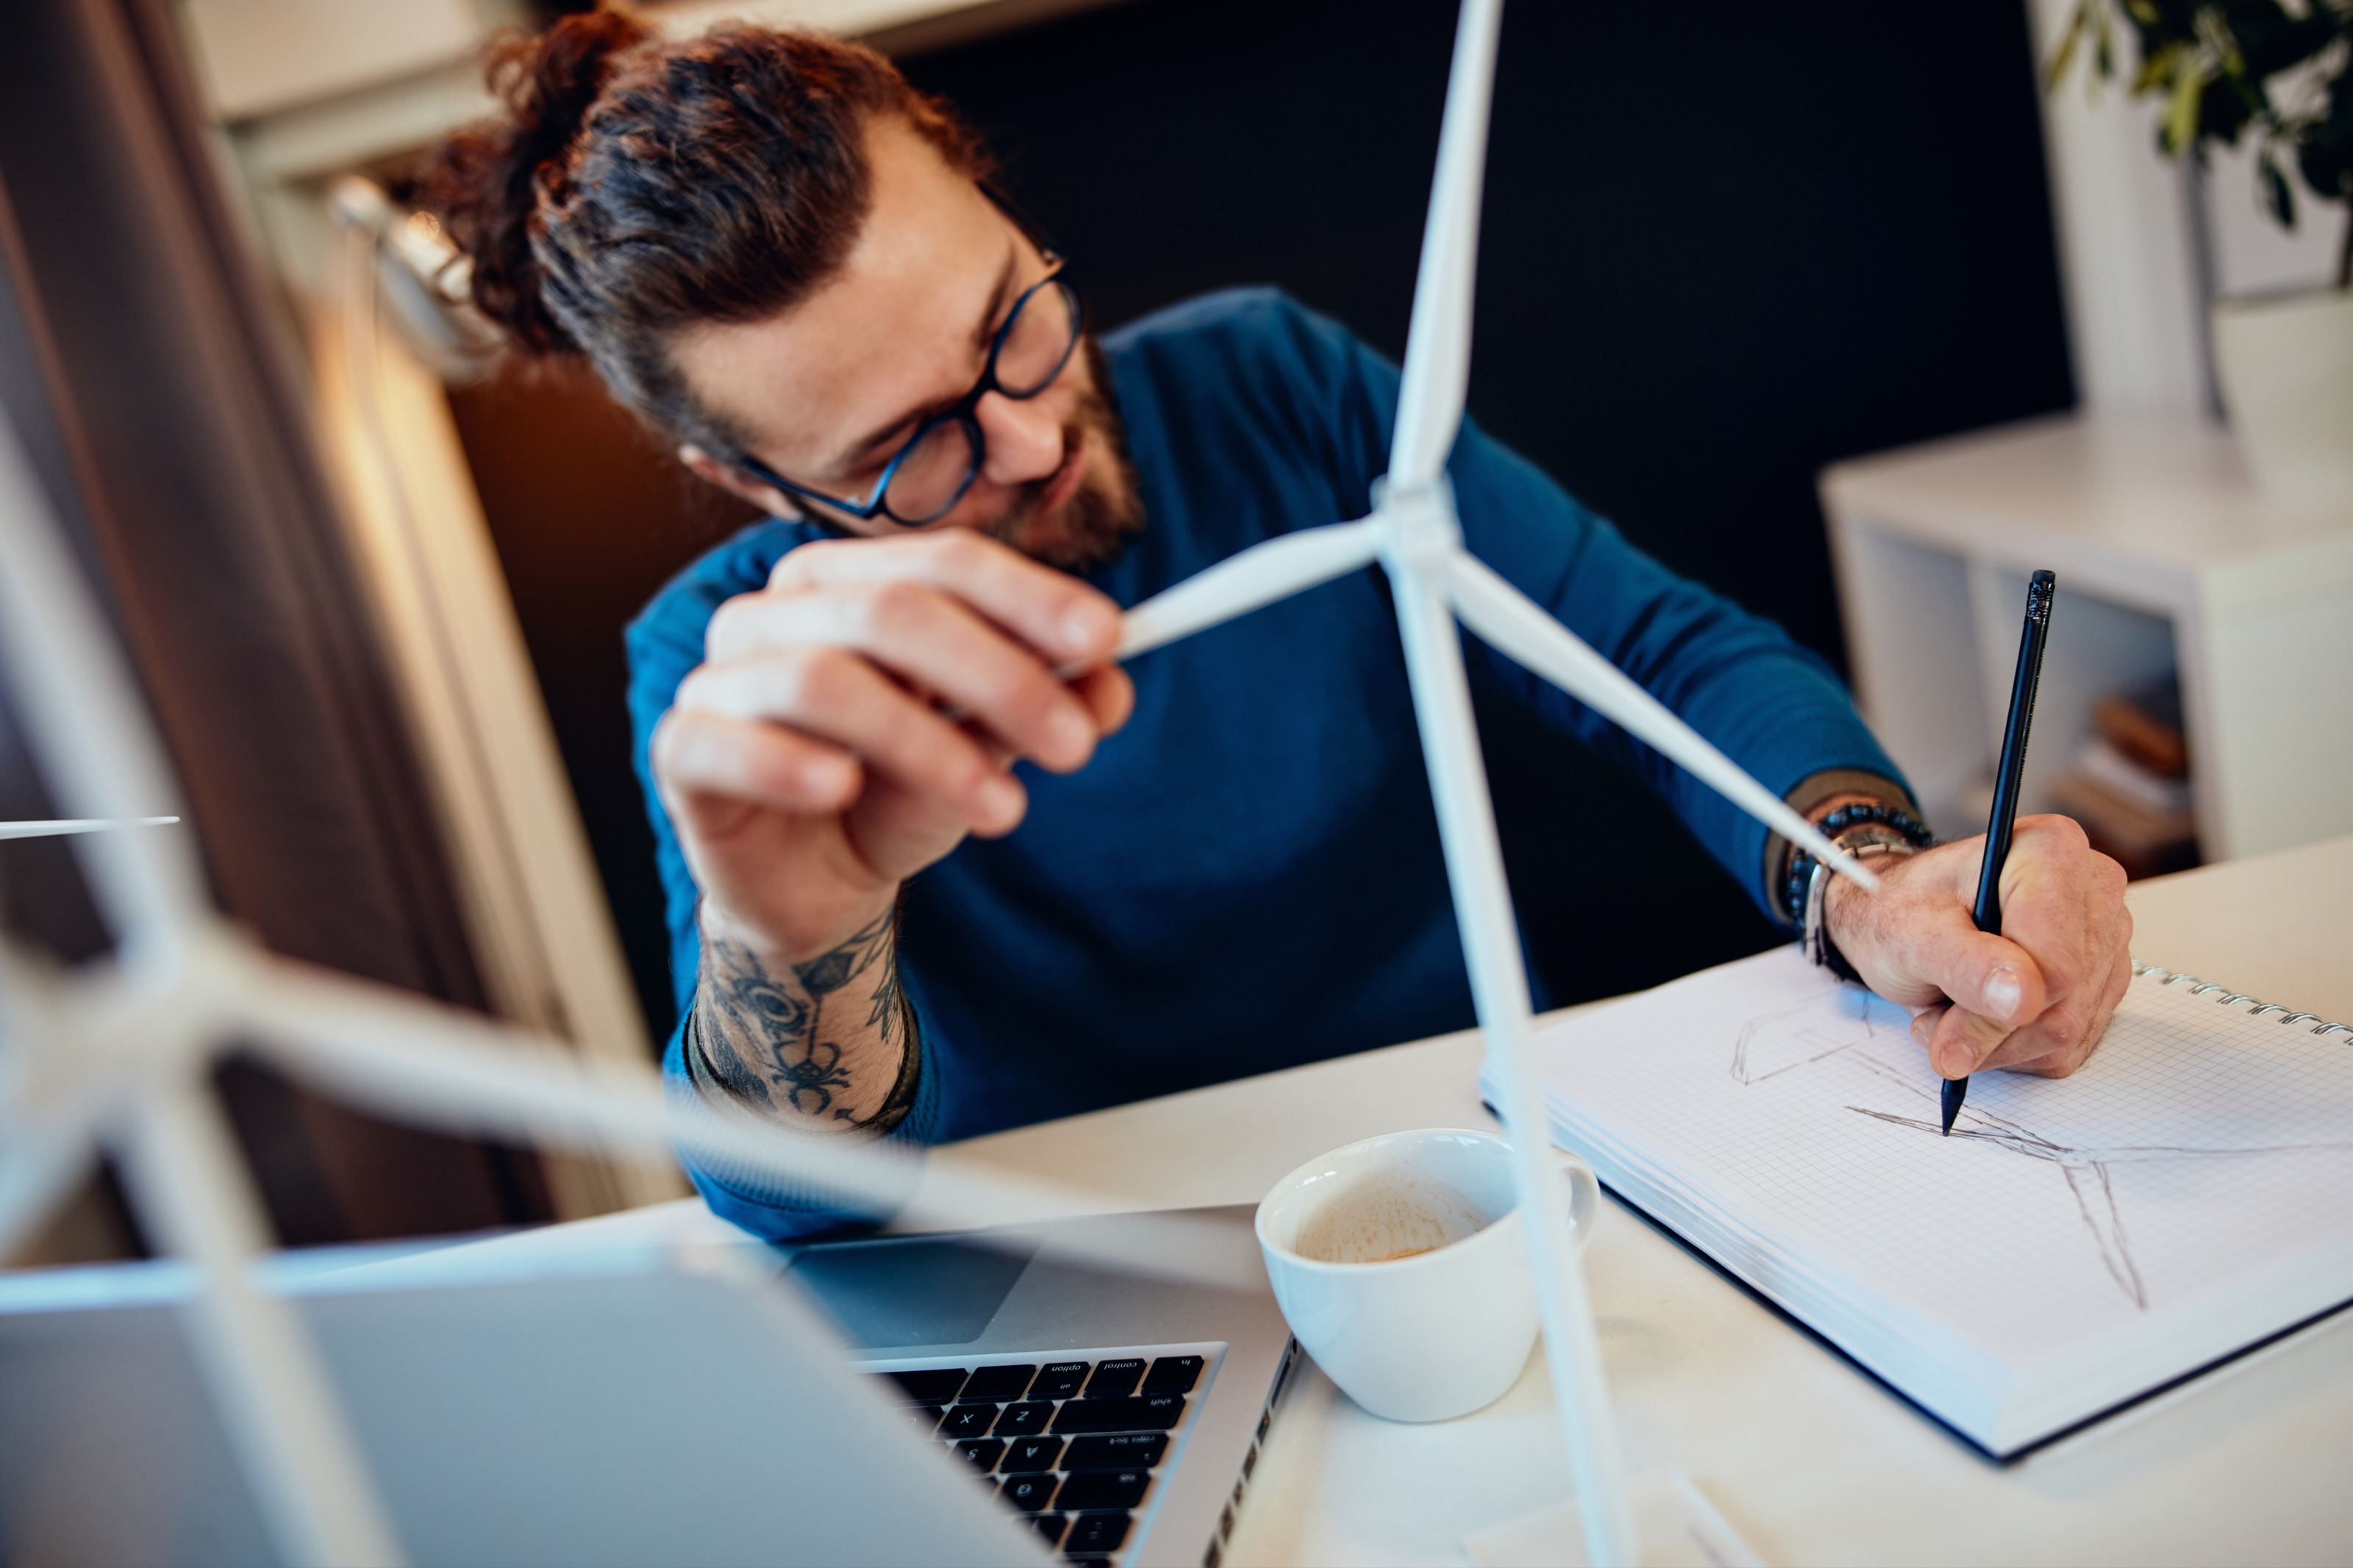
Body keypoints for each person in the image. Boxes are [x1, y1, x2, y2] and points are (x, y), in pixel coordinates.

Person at [421, 13, 2132, 1239]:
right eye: (902, 451)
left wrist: (1874, 875)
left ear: (997, 201)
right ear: (746, 481)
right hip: (1101, 1268)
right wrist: (791, 934)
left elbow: (1662, 657)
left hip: (1485, 1183)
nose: (1026, 436)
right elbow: (790, 1208)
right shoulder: (731, 668)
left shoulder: (1272, 381)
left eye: (1010, 320)